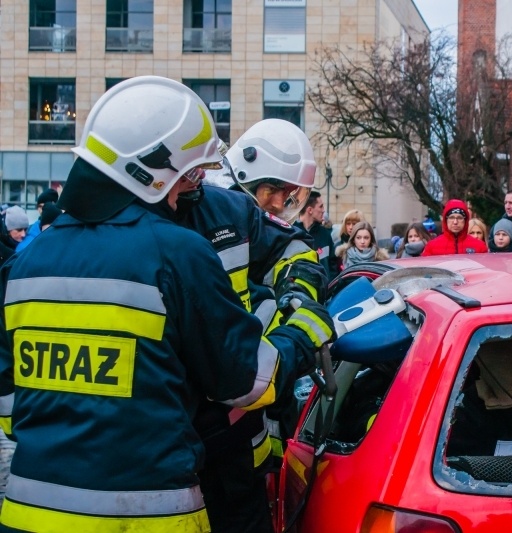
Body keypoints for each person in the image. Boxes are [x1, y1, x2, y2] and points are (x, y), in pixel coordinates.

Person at [0, 76, 336, 533]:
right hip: (151, 512)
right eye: (189, 173)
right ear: (146, 171)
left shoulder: (25, 264)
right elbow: (249, 379)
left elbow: (9, 409)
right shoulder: (175, 251)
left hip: (28, 514)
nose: (193, 188)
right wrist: (301, 332)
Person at [183, 120, 327, 533]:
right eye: (275, 192)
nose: (281, 203)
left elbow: (292, 245)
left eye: (288, 195)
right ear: (248, 175)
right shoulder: (201, 210)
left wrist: (299, 288)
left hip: (246, 412)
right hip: (198, 420)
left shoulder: (241, 215)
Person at [295, 190, 337, 282]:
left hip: (325, 293)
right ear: (310, 210)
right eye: (321, 206)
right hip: (300, 292)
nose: (323, 210)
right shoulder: (292, 234)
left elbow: (333, 265)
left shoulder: (325, 234)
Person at [422, 199, 489, 256]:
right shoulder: (432, 246)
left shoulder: (479, 247)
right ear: (446, 220)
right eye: (451, 217)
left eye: (459, 218)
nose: (455, 222)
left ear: (465, 220)